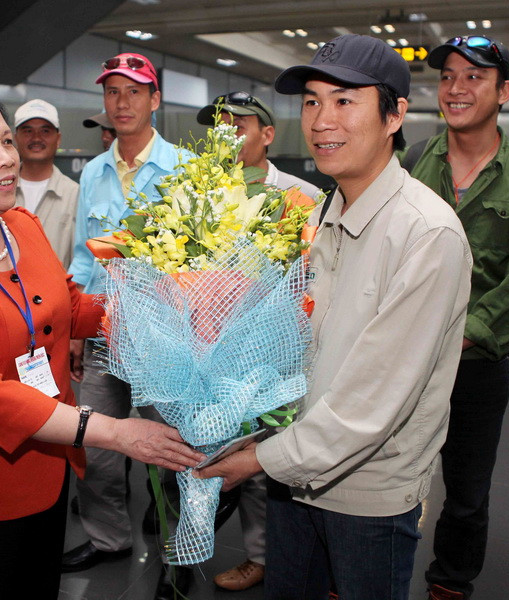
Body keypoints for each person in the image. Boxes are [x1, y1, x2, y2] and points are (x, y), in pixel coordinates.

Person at [0, 86, 203, 600]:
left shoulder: (21, 227)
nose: (8, 156)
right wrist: (117, 433)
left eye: (7, 140)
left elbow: (68, 308)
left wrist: (167, 310)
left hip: (48, 464)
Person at [197, 34, 473, 600]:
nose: (322, 121)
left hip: (365, 494)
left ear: (395, 115)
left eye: (344, 101)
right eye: (312, 102)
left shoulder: (426, 234)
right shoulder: (323, 210)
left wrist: (258, 459)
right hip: (292, 473)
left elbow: (374, 400)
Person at [402, 36, 509, 600]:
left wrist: (447, 340)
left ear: (505, 91)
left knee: (467, 492)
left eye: (474, 77)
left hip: (475, 367)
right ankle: (366, 571)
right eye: (448, 76)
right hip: (397, 356)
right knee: (384, 475)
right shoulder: (409, 163)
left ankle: (450, 582)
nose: (456, 88)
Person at [63, 52, 194, 600]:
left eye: (134, 91)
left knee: (172, 451)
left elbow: (200, 260)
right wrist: (76, 329)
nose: (122, 102)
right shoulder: (93, 171)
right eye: (112, 91)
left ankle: (178, 554)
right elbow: (81, 257)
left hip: (162, 336)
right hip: (101, 333)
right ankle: (108, 536)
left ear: (155, 99)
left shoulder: (185, 169)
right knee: (96, 443)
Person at [196, 91, 322, 591]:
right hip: (211, 354)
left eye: (239, 125)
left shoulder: (301, 196)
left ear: (268, 135)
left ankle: (275, 558)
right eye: (219, 126)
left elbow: (314, 274)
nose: (226, 135)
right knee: (225, 457)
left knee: (275, 457)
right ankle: (219, 553)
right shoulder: (199, 194)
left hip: (281, 353)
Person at [13, 99, 79, 269]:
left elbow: (80, 261)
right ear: (15, 138)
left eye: (45, 131)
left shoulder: (74, 195)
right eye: (28, 131)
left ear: (58, 139)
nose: (36, 138)